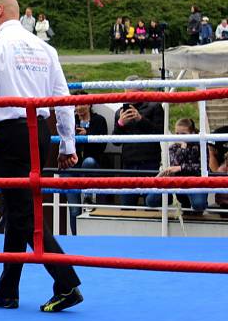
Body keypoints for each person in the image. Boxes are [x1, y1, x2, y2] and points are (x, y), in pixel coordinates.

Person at [0, 0, 83, 313]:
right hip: (40, 133)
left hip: (12, 133)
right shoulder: (45, 49)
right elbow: (63, 100)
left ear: (0, 11)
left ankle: (66, 281)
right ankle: (7, 290)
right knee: (18, 208)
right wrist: (67, 144)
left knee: (21, 211)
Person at [112, 75, 164, 206]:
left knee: (150, 205)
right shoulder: (120, 112)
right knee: (127, 206)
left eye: (132, 94)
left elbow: (159, 133)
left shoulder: (155, 106)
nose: (129, 97)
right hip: (128, 164)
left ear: (142, 92)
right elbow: (115, 141)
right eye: (126, 94)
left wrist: (141, 119)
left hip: (149, 162)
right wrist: (120, 123)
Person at [64, 92, 108, 235]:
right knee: (74, 209)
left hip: (92, 166)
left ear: (89, 104)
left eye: (82, 103)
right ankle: (76, 238)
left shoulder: (99, 120)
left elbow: (102, 146)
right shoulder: (70, 121)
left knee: (88, 162)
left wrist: (87, 135)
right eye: (76, 104)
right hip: (73, 167)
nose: (79, 107)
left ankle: (89, 195)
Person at [146, 118, 208, 214]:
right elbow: (175, 163)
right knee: (151, 200)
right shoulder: (173, 147)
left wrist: (180, 168)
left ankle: (192, 207)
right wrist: (183, 147)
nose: (179, 137)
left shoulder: (201, 146)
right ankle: (176, 200)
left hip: (195, 182)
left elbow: (202, 168)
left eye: (183, 134)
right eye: (177, 134)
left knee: (198, 204)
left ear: (192, 133)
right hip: (178, 182)